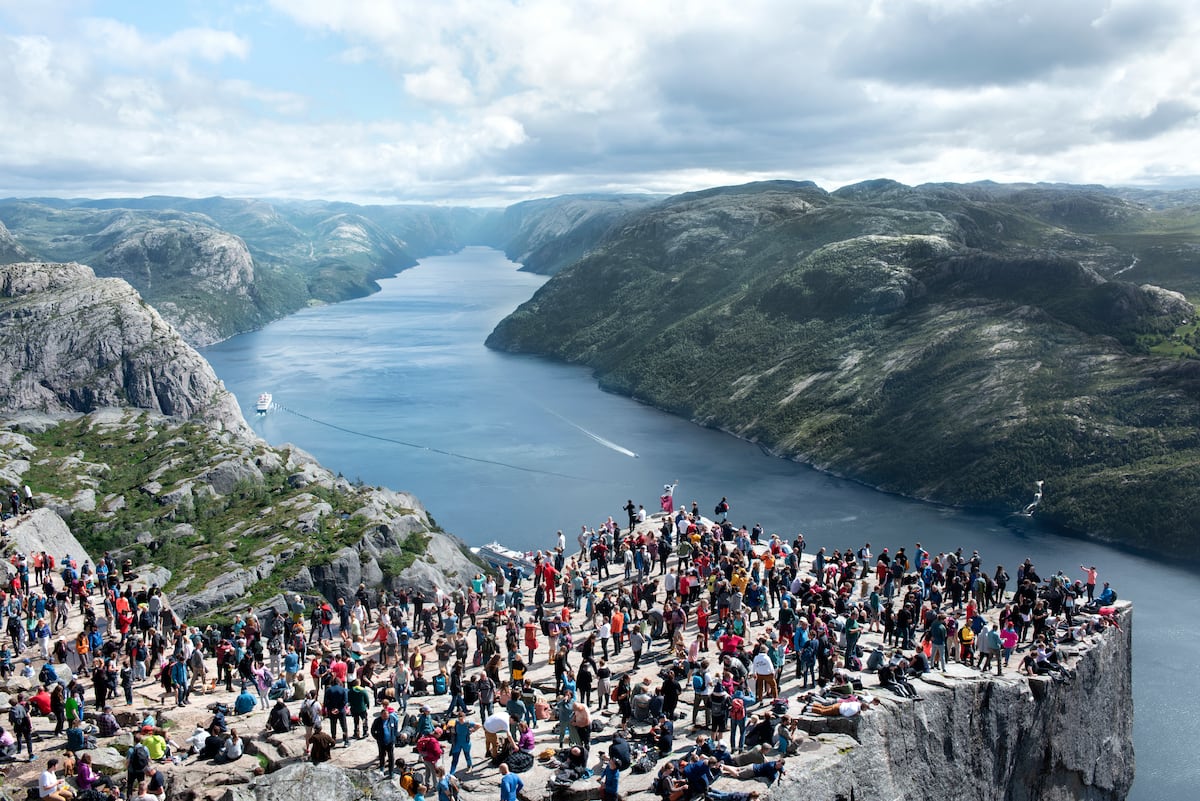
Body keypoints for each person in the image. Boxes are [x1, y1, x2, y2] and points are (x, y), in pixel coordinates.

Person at [372, 706, 399, 778]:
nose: (385, 716)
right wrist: (377, 738)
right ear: (381, 715)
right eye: (384, 715)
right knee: (381, 756)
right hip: (381, 742)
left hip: (390, 742)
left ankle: (391, 772)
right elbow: (372, 730)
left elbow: (395, 728)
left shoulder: (392, 719)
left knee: (391, 757)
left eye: (387, 715)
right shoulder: (377, 721)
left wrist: (394, 736)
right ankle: (381, 769)